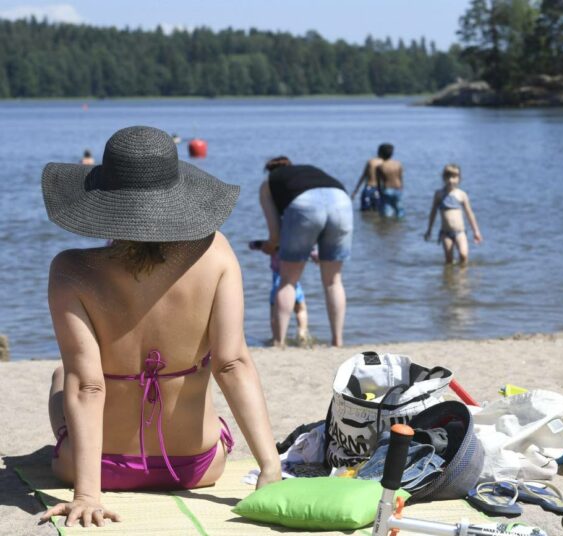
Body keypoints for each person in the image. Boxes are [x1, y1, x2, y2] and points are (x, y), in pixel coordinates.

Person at [39, 126, 281, 528]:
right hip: (197, 467)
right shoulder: (216, 252)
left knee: (64, 375)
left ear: (102, 201)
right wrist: (269, 467)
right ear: (178, 194)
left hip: (102, 469)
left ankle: (88, 479)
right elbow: (233, 363)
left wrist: (87, 495)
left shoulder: (71, 271)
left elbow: (88, 386)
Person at [259, 157, 353, 347]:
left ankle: (279, 342)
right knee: (334, 281)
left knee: (287, 281)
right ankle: (337, 342)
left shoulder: (268, 184)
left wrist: (269, 245)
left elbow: (275, 234)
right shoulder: (309, 170)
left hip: (304, 205)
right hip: (341, 200)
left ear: (269, 171)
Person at [250, 241, 313, 344]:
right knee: (301, 310)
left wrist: (256, 244)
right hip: (294, 285)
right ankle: (302, 333)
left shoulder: (273, 247)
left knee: (275, 313)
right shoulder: (296, 245)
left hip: (279, 285)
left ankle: (276, 337)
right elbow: (311, 252)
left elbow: (255, 246)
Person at [424, 164, 482, 264]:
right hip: (446, 233)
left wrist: (476, 231)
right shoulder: (439, 194)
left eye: (454, 177)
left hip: (460, 232)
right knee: (449, 259)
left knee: (463, 255)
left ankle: (462, 276)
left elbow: (470, 214)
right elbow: (433, 213)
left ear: (459, 178)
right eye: (448, 177)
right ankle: (449, 277)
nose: (451, 180)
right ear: (443, 178)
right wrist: (429, 230)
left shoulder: (462, 194)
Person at [350, 144, 389, 211]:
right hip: (379, 190)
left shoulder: (371, 162)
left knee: (365, 211)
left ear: (378, 152)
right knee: (378, 211)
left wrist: (355, 191)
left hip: (368, 188)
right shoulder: (387, 163)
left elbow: (363, 177)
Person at [375, 143, 404, 218]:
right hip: (398, 188)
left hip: (387, 189)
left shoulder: (380, 167)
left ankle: (387, 227)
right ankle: (399, 226)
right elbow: (400, 178)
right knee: (400, 210)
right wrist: (401, 188)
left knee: (386, 211)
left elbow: (378, 182)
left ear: (380, 154)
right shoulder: (398, 164)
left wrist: (379, 192)